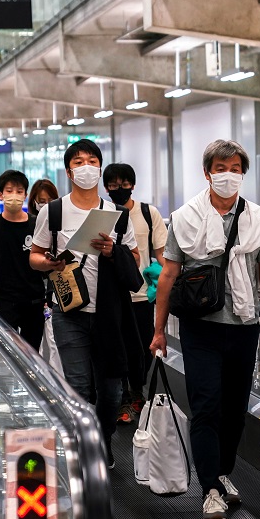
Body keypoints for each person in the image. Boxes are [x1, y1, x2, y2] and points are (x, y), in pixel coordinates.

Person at [149, 139, 260, 519]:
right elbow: (169, 276)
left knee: (234, 411)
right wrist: (159, 330)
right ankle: (209, 488)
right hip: (200, 329)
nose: (228, 175)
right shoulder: (186, 218)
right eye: (221, 168)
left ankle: (223, 472)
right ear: (207, 173)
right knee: (206, 405)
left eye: (235, 168)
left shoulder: (259, 221)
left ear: (243, 173)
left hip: (244, 328)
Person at [30, 140, 141, 468]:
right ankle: (85, 446)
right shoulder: (54, 212)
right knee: (78, 384)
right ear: (69, 171)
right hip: (69, 312)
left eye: (93, 161)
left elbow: (134, 258)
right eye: (79, 162)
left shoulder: (116, 215)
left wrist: (112, 251)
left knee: (110, 392)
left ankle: (103, 438)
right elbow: (34, 255)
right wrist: (47, 263)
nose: (87, 167)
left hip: (109, 315)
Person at [102, 163, 167, 425]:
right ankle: (121, 395)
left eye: (124, 184)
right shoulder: (101, 213)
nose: (120, 189)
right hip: (111, 294)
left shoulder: (148, 213)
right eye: (114, 185)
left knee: (141, 347)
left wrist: (169, 280)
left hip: (141, 294)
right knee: (116, 346)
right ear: (106, 187)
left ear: (133, 184)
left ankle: (136, 390)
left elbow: (162, 254)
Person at [0, 170, 45, 349]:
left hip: (34, 301)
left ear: (25, 195)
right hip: (4, 302)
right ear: (0, 194)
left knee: (33, 355)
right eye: (9, 190)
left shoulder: (36, 224)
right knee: (8, 354)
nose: (14, 195)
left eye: (19, 191)